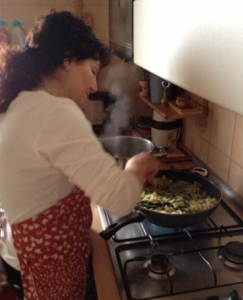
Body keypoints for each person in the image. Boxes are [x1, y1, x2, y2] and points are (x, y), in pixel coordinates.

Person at [0, 11, 159, 300]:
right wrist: (137, 165)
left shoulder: (21, 101)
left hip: (23, 257)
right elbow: (121, 199)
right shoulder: (53, 112)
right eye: (93, 71)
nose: (94, 86)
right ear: (68, 60)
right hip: (46, 266)